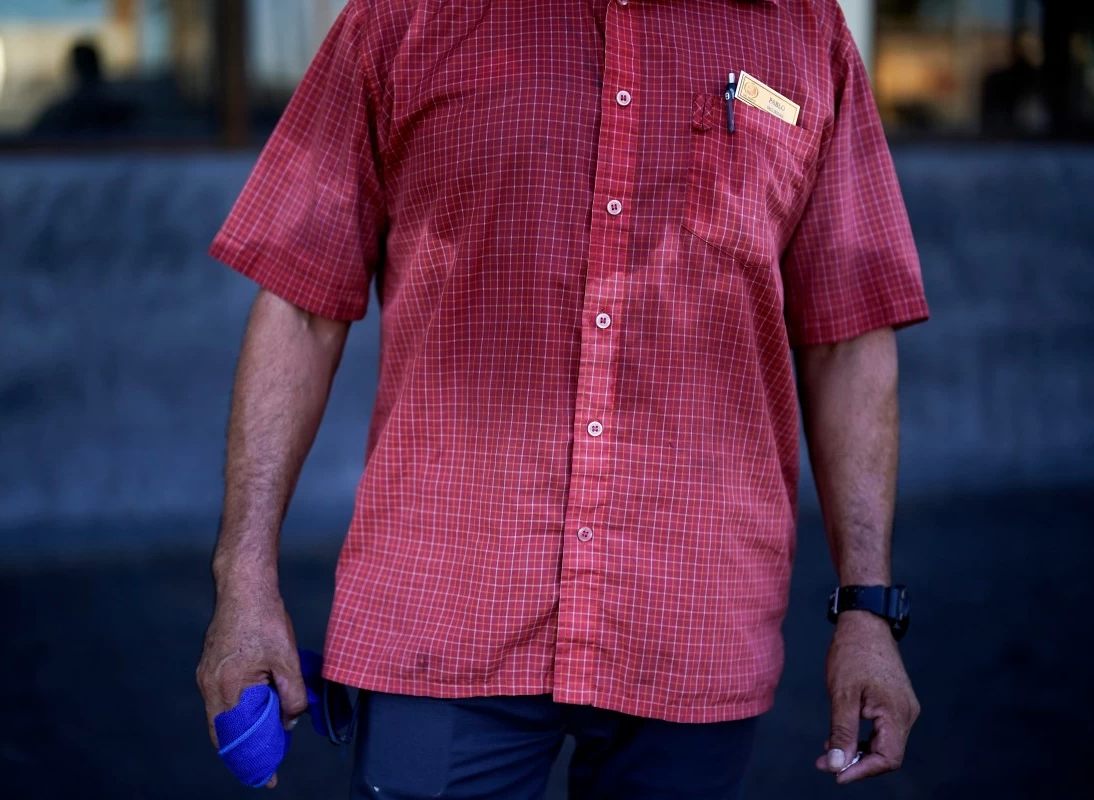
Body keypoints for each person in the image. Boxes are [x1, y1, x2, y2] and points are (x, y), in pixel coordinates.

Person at [196, 0, 928, 797]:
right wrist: (245, 583)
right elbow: (300, 307)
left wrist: (868, 611)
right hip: (444, 604)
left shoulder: (805, 32)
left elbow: (849, 339)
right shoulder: (402, 17)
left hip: (694, 615)